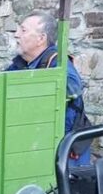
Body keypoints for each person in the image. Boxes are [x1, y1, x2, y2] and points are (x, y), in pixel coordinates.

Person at [7, 10, 91, 166]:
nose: (16, 34)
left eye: (23, 30)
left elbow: (74, 88)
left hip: (66, 147)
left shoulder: (57, 62)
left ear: (41, 39)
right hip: (38, 143)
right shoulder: (20, 64)